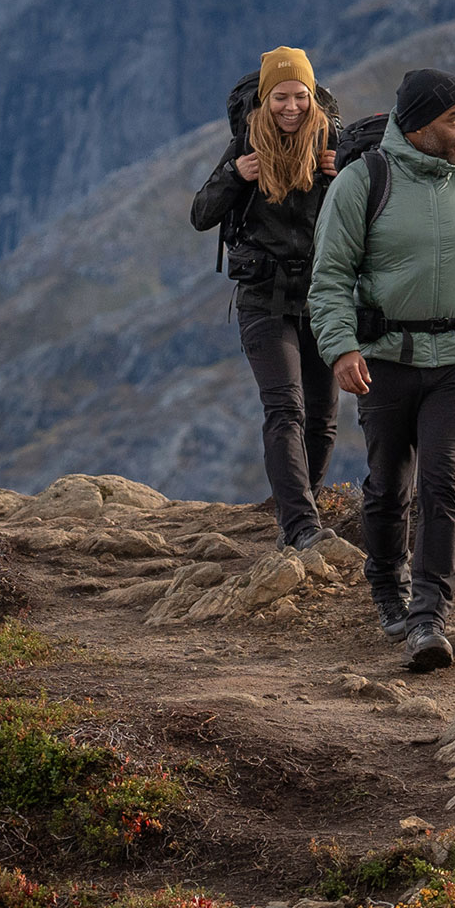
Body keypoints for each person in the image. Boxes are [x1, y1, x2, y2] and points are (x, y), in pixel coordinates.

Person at [308, 66, 455, 672]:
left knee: (444, 485)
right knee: (389, 485)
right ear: (417, 126)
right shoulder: (363, 183)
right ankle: (387, 583)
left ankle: (429, 616)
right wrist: (341, 349)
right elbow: (329, 278)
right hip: (384, 361)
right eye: (453, 118)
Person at [189, 46, 341, 548]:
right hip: (263, 301)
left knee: (322, 419)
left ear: (312, 95)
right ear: (264, 98)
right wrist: (237, 175)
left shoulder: (333, 145)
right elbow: (201, 213)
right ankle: (301, 527)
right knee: (285, 410)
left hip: (322, 301)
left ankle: (299, 516)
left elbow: (370, 212)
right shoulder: (244, 147)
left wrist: (342, 178)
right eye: (281, 96)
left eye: (300, 95)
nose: (291, 106)